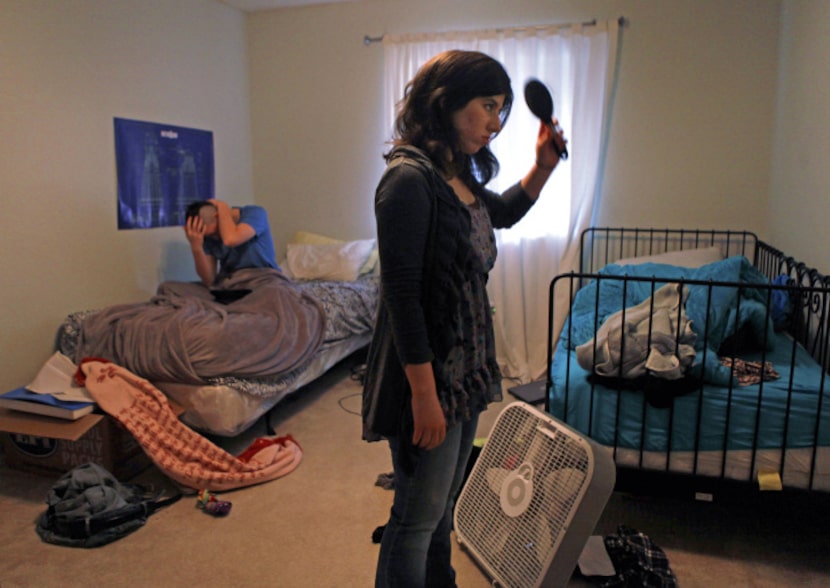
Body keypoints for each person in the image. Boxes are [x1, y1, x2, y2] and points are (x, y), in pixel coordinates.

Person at [362, 50, 566, 588]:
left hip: (467, 371)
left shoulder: (456, 174)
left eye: (501, 110)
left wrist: (543, 167)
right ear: (447, 102)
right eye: (487, 106)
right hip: (427, 381)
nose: (496, 123)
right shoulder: (408, 180)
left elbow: (499, 213)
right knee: (416, 516)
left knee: (444, 506)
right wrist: (424, 398)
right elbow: (402, 298)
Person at [183, 199, 279, 287]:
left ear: (217, 216)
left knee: (274, 293)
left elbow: (230, 240)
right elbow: (209, 280)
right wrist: (196, 247)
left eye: (214, 233)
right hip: (231, 281)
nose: (214, 238)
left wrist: (222, 206)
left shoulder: (255, 214)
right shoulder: (207, 236)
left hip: (264, 278)